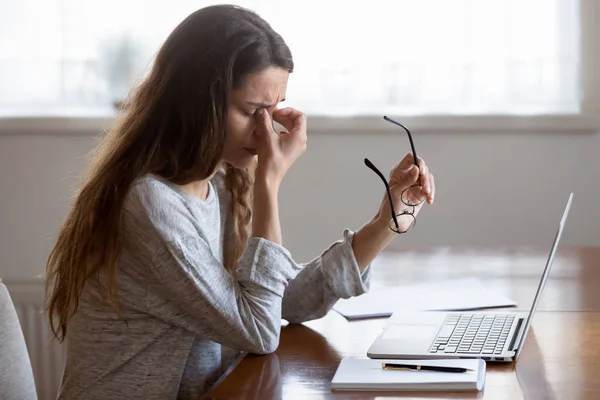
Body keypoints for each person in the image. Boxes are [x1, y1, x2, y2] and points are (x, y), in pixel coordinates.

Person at [45, 4, 435, 399]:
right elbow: (260, 330)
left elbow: (280, 301)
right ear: (200, 102)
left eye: (275, 108)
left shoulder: (217, 182)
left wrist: (386, 223)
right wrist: (269, 182)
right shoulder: (151, 205)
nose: (269, 128)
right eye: (252, 111)